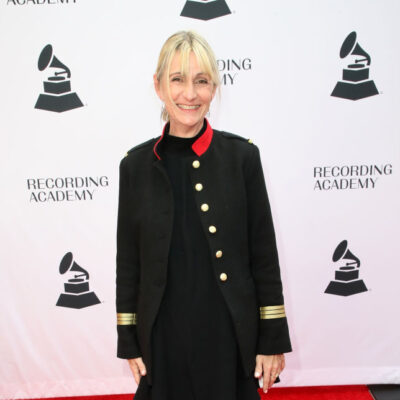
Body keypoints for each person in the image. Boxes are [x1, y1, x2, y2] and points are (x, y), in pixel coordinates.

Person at [116, 30, 292, 400]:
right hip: (163, 339)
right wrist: (128, 340)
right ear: (158, 86)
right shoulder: (135, 166)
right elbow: (129, 263)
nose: (190, 94)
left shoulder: (242, 158)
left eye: (201, 81)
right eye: (177, 80)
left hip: (228, 335)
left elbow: (263, 255)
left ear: (214, 87)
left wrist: (272, 337)